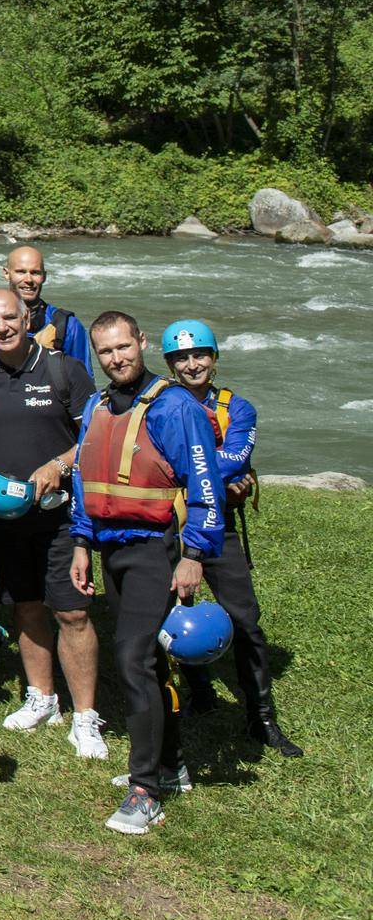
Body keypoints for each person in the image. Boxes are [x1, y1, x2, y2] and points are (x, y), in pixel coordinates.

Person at [71, 312, 224, 835]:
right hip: (111, 550)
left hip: (154, 551)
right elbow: (83, 481)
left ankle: (146, 791)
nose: (116, 359)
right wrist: (81, 544)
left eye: (123, 347)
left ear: (141, 342)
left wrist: (194, 554)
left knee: (133, 659)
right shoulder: (96, 404)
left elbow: (205, 484)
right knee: (151, 664)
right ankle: (168, 763)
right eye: (106, 352)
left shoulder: (174, 406)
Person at [0, 288, 106, 759]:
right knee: (25, 606)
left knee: (73, 611)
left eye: (9, 318)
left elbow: (95, 434)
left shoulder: (64, 369)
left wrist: (59, 464)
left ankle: (85, 717)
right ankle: (42, 697)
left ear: (25, 318)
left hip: (61, 516)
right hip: (1, 516)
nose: (1, 327)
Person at [158, 321, 301, 756]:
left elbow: (235, 457)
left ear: (215, 358)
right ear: (168, 363)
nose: (192, 364)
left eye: (200, 354)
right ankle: (198, 687)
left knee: (245, 619)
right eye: (181, 358)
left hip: (218, 524)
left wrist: (189, 471)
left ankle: (262, 717)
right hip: (168, 523)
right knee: (173, 611)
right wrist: (214, 472)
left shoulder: (238, 408)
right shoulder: (160, 403)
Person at [0, 246, 92, 374]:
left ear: (44, 276)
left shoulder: (67, 326)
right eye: (21, 272)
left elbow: (84, 381)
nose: (28, 280)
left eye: (35, 273)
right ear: (6, 273)